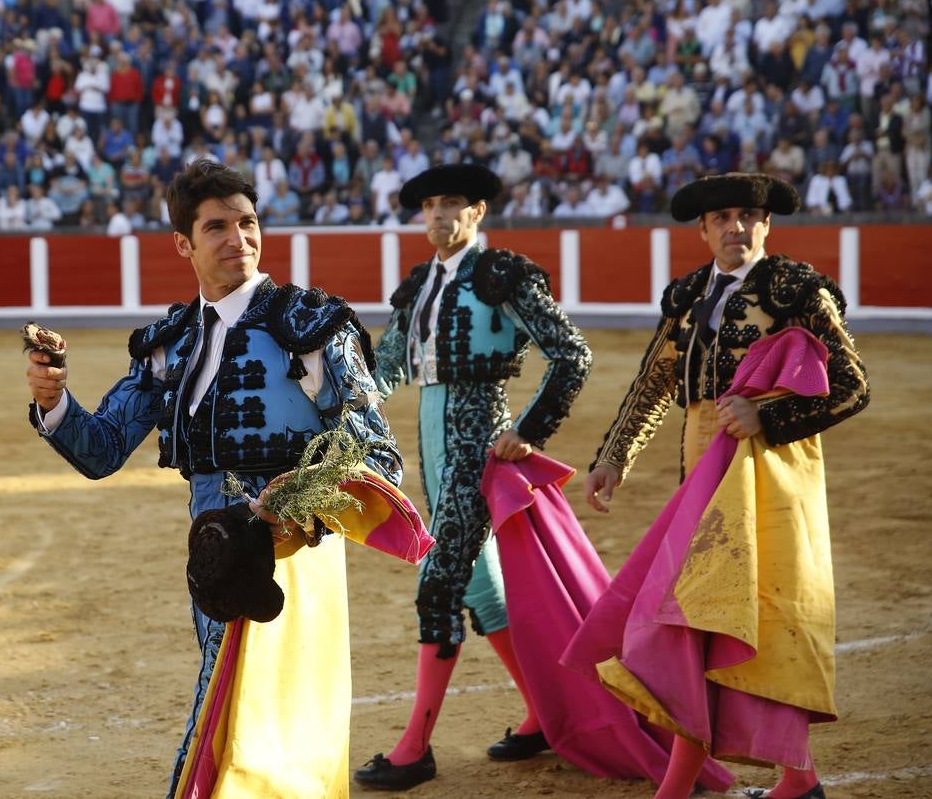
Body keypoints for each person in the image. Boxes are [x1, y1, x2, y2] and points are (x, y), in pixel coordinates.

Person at [25, 159, 405, 797]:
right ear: (184, 244)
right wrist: (54, 401)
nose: (238, 239)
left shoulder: (311, 327)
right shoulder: (170, 342)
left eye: (248, 222)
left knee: (277, 713)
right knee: (224, 699)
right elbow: (104, 449)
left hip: (294, 552)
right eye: (217, 227)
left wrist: (282, 510)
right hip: (211, 547)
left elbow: (376, 455)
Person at [573, 173, 870, 799]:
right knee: (697, 621)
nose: (735, 226)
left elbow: (852, 384)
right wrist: (613, 457)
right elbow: (655, 382)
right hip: (700, 469)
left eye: (747, 216)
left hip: (768, 479)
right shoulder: (686, 295)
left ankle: (715, 784)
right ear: (703, 229)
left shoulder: (795, 290)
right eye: (721, 218)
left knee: (741, 619)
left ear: (766, 225)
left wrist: (769, 415)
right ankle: (797, 779)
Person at [355, 164, 593, 789]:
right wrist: (337, 409)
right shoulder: (418, 286)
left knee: (439, 584)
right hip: (433, 437)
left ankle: (415, 748)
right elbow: (383, 372)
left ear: (477, 211)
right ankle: (544, 714)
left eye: (452, 204)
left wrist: (531, 430)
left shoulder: (501, 274)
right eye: (429, 205)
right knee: (480, 588)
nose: (438, 215)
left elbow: (571, 353)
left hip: (478, 435)